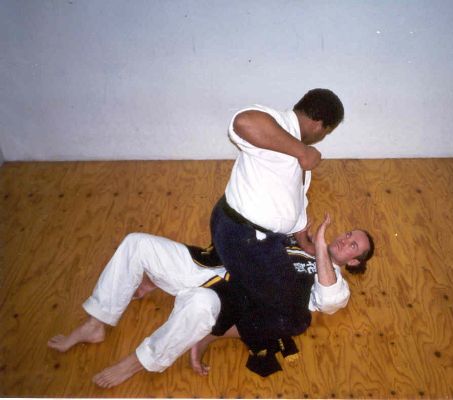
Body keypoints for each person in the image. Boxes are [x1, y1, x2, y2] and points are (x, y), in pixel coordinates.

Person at [47, 214, 374, 388]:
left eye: (353, 246)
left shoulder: (335, 285)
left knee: (200, 308)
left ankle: (137, 362)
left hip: (229, 297)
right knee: (137, 244)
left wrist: (318, 247)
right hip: (211, 267)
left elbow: (328, 301)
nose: (346, 239)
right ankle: (96, 323)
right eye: (349, 235)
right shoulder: (296, 239)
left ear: (355, 263)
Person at [210, 88, 345, 315]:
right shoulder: (280, 125)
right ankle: (207, 326)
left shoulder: (293, 147)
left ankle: (188, 278)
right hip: (242, 233)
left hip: (260, 238)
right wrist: (303, 151)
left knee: (285, 296)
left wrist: (303, 238)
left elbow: (294, 197)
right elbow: (242, 122)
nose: (322, 138)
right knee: (291, 315)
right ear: (320, 125)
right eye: (326, 133)